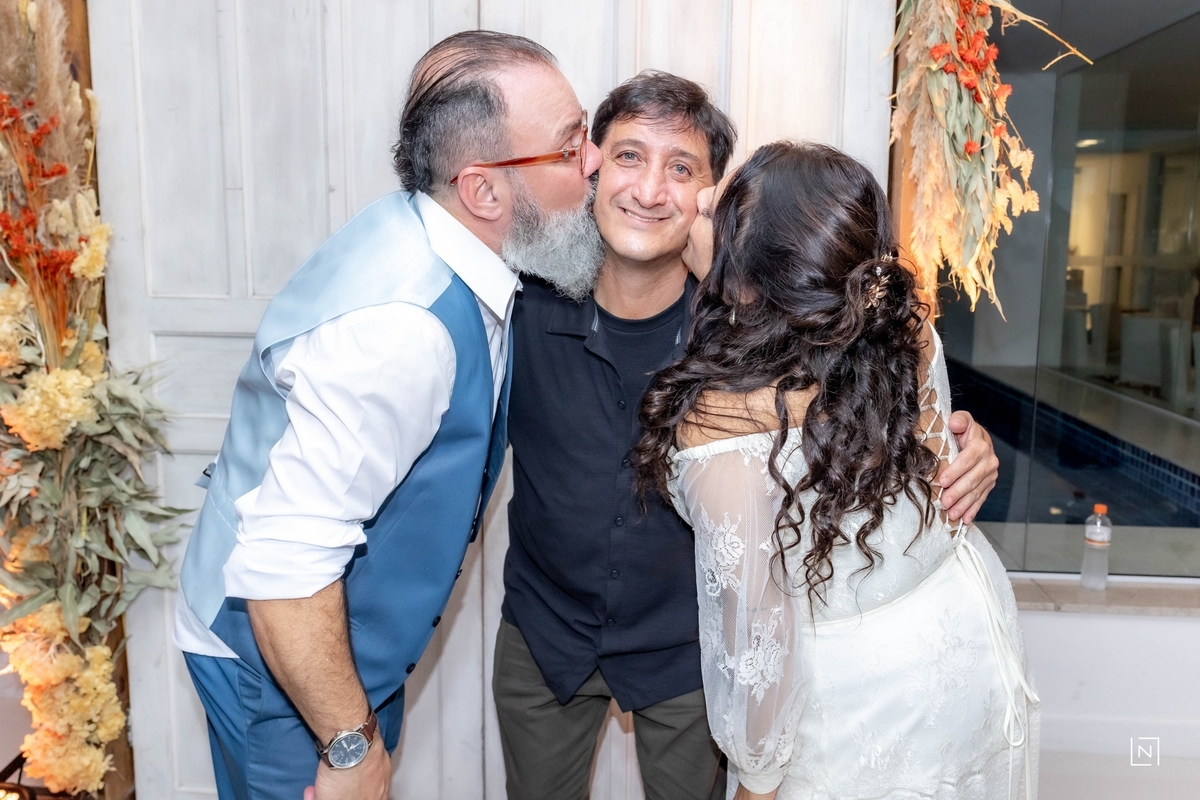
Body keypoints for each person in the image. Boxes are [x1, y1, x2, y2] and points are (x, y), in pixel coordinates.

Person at [496, 72, 1003, 800]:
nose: (649, 190)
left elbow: (870, 405)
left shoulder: (765, 331)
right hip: (546, 636)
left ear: (714, 198)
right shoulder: (515, 300)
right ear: (591, 166)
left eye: (682, 169)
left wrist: (959, 446)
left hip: (695, 659)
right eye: (630, 156)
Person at [173, 32, 604, 800]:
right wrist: (350, 746)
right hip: (277, 667)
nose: (595, 160)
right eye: (571, 146)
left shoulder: (449, 238)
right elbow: (284, 570)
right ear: (483, 191)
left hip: (331, 651)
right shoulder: (402, 334)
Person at [635, 141, 1040, 800]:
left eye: (720, 209)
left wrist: (756, 784)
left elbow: (760, 639)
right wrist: (970, 450)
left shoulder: (722, 422)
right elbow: (931, 476)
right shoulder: (900, 333)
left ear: (752, 282)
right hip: (962, 636)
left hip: (856, 705)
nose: (702, 196)